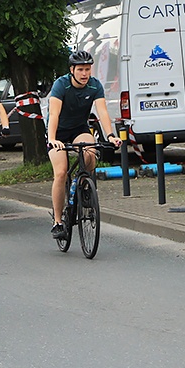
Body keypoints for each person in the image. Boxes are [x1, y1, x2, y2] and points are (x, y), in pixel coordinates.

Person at [47, 51, 123, 240]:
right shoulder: (61, 85)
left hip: (79, 129)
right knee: (60, 172)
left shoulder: (94, 85)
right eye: (80, 69)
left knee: (90, 152)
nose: (84, 73)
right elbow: (54, 114)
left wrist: (111, 135)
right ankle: (57, 221)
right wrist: (52, 138)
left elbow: (102, 112)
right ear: (72, 70)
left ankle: (83, 185)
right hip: (58, 132)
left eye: (87, 69)